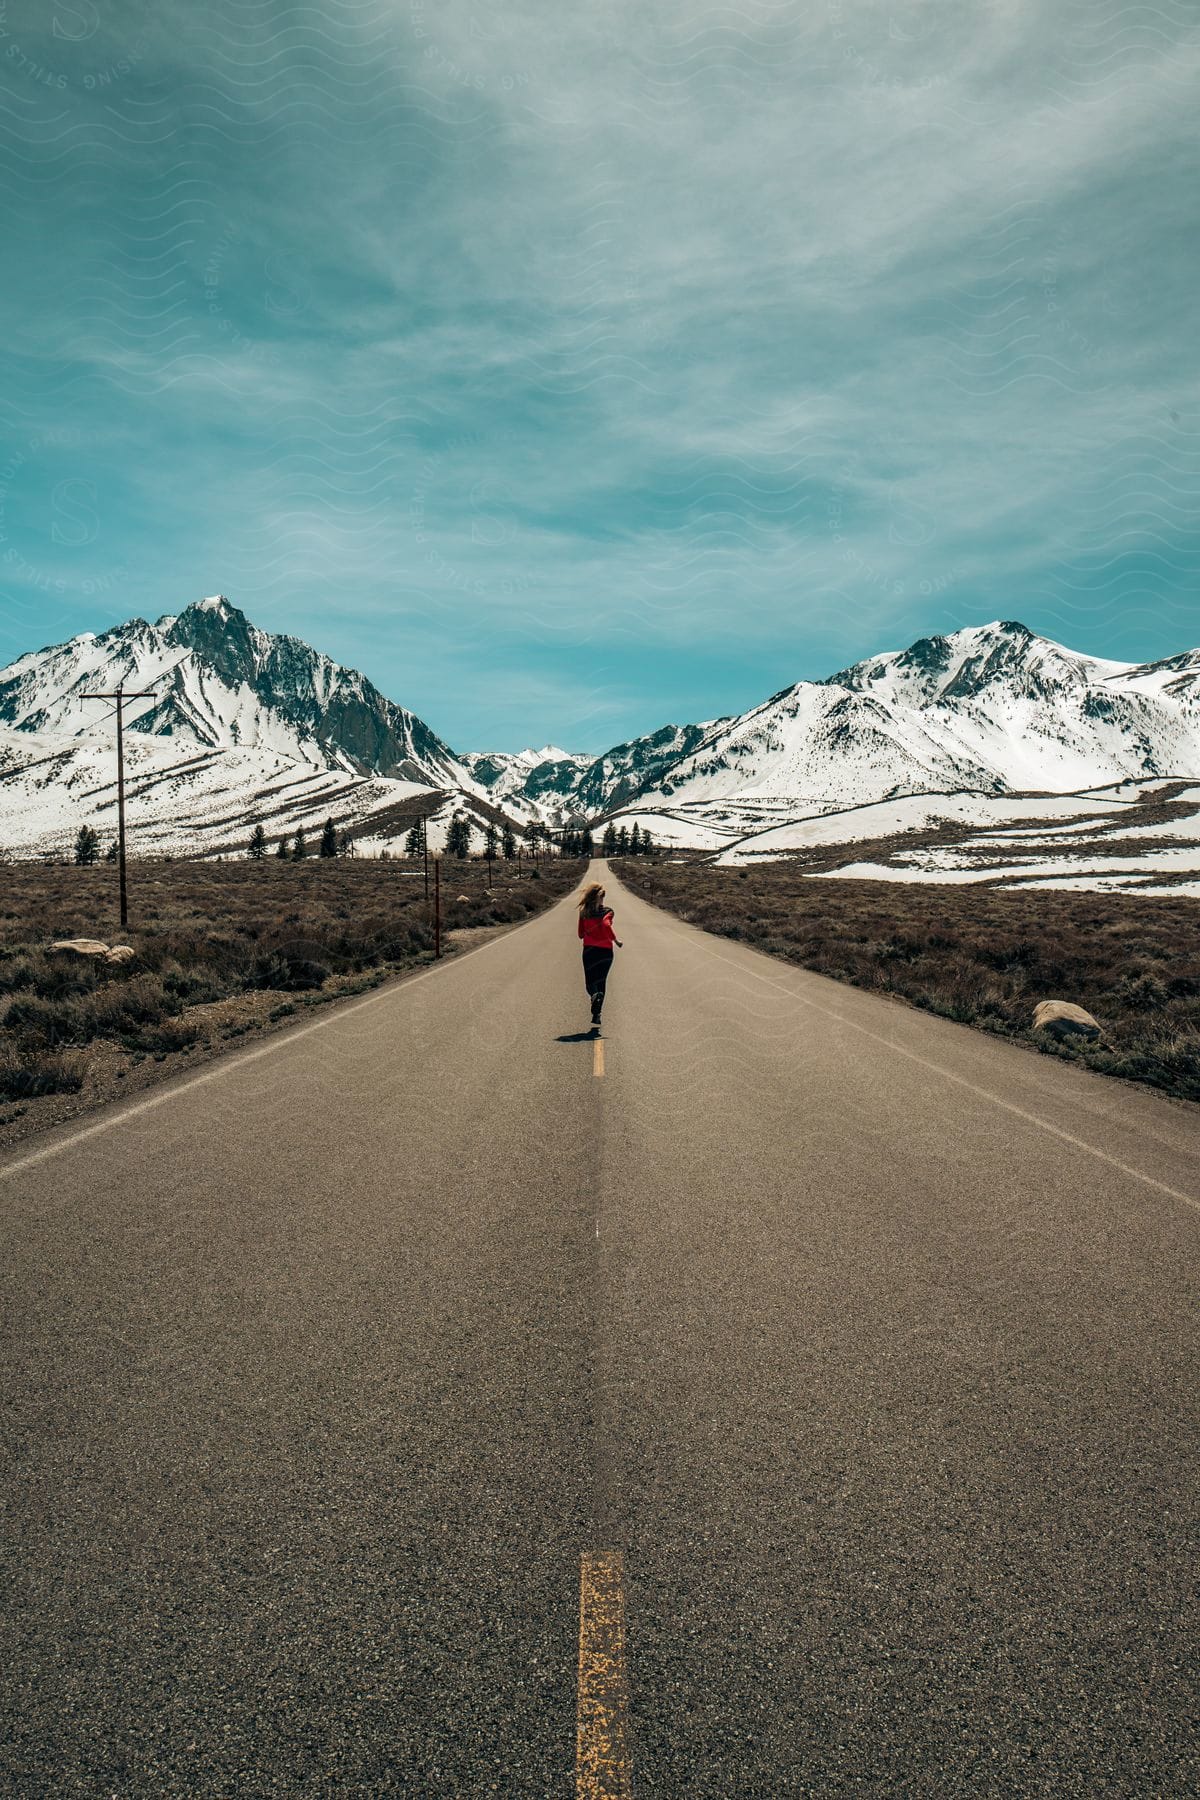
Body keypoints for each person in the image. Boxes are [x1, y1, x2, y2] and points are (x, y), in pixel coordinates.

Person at [577, 881, 622, 1027]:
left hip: (590, 951)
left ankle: (594, 997)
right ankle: (597, 1015)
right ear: (600, 897)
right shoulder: (608, 911)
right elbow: (606, 924)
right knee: (601, 981)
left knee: (591, 982)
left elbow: (580, 934)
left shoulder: (583, 912)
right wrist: (615, 940)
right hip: (606, 952)